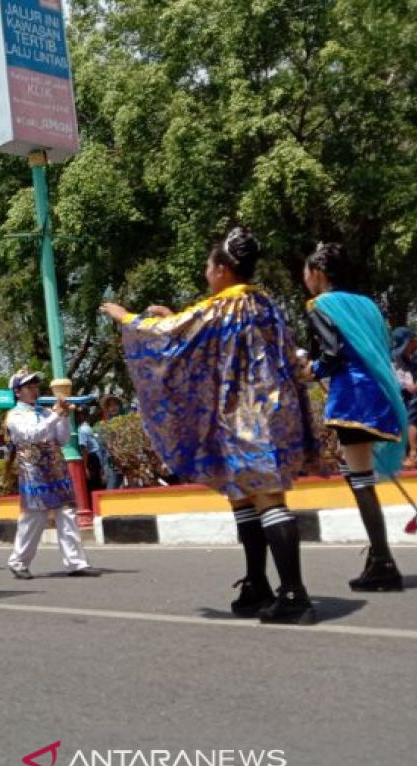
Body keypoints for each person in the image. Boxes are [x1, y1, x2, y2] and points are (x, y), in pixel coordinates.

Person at [101, 227, 319, 624]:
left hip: (244, 414)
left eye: (207, 264)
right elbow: (195, 330)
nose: (206, 272)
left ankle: (294, 593)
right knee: (245, 496)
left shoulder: (222, 306)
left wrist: (126, 317)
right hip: (275, 409)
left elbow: (169, 335)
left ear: (221, 269)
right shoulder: (266, 303)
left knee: (266, 497)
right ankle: (257, 585)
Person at [302, 243, 407, 591]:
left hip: (353, 397)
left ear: (318, 273)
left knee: (360, 481)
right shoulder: (369, 306)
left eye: (307, 272)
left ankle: (383, 562)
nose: (305, 280)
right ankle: (378, 558)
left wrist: (311, 369)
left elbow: (331, 355)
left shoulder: (321, 304)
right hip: (380, 393)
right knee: (358, 476)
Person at [4, 371, 99, 579]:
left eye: (36, 387)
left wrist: (64, 416)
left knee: (67, 514)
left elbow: (63, 440)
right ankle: (19, 561)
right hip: (33, 470)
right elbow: (33, 435)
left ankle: (75, 563)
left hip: (56, 468)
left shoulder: (46, 412)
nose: (34, 391)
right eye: (29, 387)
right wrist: (56, 414)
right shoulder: (15, 415)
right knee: (34, 517)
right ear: (18, 392)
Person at [391, 326, 417, 468]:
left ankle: (413, 454)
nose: (405, 351)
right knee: (415, 422)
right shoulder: (411, 355)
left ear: (414, 342)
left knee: (412, 421)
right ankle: (414, 454)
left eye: (406, 346)